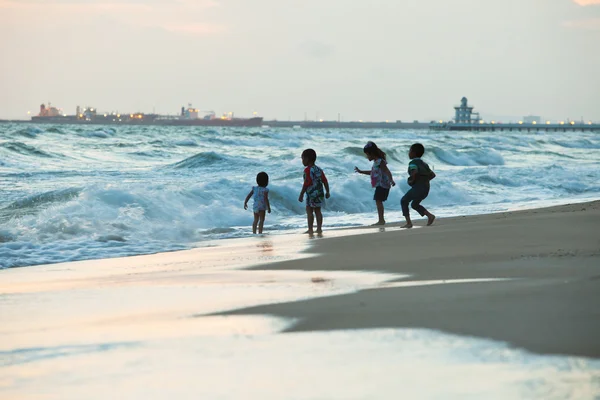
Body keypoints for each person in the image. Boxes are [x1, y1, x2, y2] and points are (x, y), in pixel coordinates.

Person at [355, 141, 396, 225]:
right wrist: (361, 171)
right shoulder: (376, 162)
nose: (367, 156)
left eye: (367, 154)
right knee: (378, 201)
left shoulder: (380, 161)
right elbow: (373, 172)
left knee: (378, 201)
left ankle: (381, 220)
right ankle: (381, 219)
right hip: (380, 185)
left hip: (383, 184)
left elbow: (387, 171)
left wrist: (391, 179)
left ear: (372, 153)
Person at [401, 143, 436, 228]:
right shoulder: (424, 164)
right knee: (414, 205)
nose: (409, 153)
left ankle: (408, 223)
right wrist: (424, 180)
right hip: (426, 188)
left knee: (404, 201)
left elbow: (414, 171)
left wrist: (412, 180)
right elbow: (432, 175)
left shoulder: (412, 163)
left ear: (414, 153)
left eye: (410, 151)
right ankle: (430, 216)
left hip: (418, 188)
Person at [298, 149, 330, 234]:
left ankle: (310, 229)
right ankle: (319, 228)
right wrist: (327, 191)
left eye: (303, 159)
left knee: (309, 211)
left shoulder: (307, 170)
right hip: (319, 194)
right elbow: (325, 180)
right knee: (318, 211)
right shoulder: (319, 169)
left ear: (307, 159)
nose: (302, 161)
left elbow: (307, 182)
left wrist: (301, 194)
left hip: (311, 194)